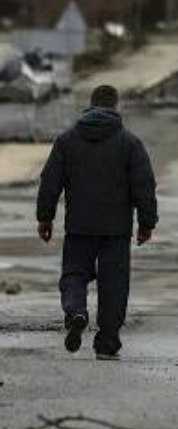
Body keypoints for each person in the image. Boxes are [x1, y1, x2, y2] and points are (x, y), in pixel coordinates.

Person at [36, 83, 158, 361]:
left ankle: (76, 311)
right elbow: (144, 186)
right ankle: (107, 343)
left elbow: (50, 183)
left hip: (79, 226)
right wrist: (147, 223)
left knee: (74, 275)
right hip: (116, 229)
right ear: (116, 108)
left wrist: (45, 217)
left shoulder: (67, 141)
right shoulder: (129, 143)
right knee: (114, 284)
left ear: (90, 105)